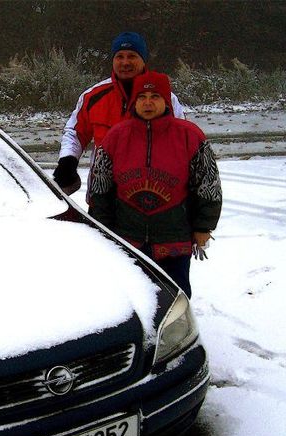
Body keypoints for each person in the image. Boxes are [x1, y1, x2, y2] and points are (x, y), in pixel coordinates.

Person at [88, 71, 222, 298]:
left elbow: (208, 184)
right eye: (142, 97)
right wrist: (103, 228)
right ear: (134, 102)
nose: (148, 102)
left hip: (174, 238)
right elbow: (100, 188)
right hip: (127, 238)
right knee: (130, 297)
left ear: (166, 100)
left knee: (175, 296)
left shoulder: (190, 136)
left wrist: (203, 227)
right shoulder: (116, 136)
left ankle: (177, 332)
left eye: (155, 96)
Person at [52, 31, 185, 197]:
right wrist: (68, 161)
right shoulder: (93, 97)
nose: (125, 62)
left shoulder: (166, 100)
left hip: (153, 196)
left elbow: (183, 143)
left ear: (143, 60)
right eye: (119, 56)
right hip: (103, 196)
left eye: (132, 56)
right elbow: (74, 134)